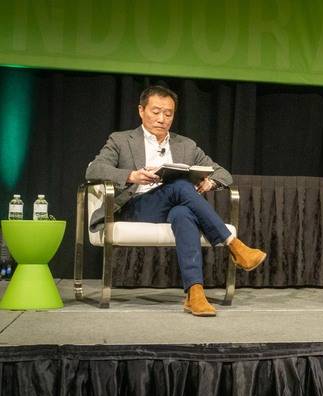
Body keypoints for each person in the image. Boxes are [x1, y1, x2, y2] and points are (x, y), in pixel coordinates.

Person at [86, 85, 266, 317]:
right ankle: (234, 246)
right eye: (155, 112)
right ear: (141, 111)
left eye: (168, 114)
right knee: (181, 186)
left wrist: (211, 182)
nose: (162, 119)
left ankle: (195, 293)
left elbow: (223, 173)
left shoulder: (186, 146)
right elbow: (94, 169)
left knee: (184, 213)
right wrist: (131, 175)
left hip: (173, 206)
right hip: (135, 206)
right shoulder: (121, 140)